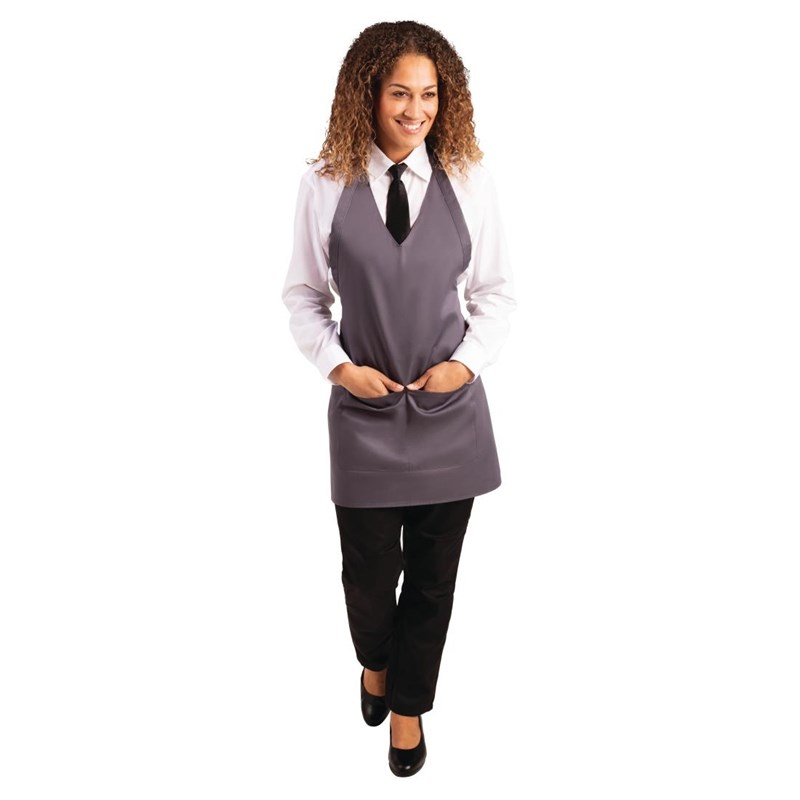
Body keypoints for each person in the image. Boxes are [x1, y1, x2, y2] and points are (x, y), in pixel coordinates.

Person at [281, 20, 516, 777]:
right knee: (367, 574)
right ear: (368, 95)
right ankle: (375, 661)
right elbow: (303, 296)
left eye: (430, 94)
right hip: (365, 415)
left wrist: (466, 366)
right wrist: (339, 368)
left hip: (450, 416)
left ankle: (408, 708)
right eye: (399, 94)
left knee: (435, 579)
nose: (416, 111)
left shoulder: (468, 179)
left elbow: (496, 295)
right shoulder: (324, 184)